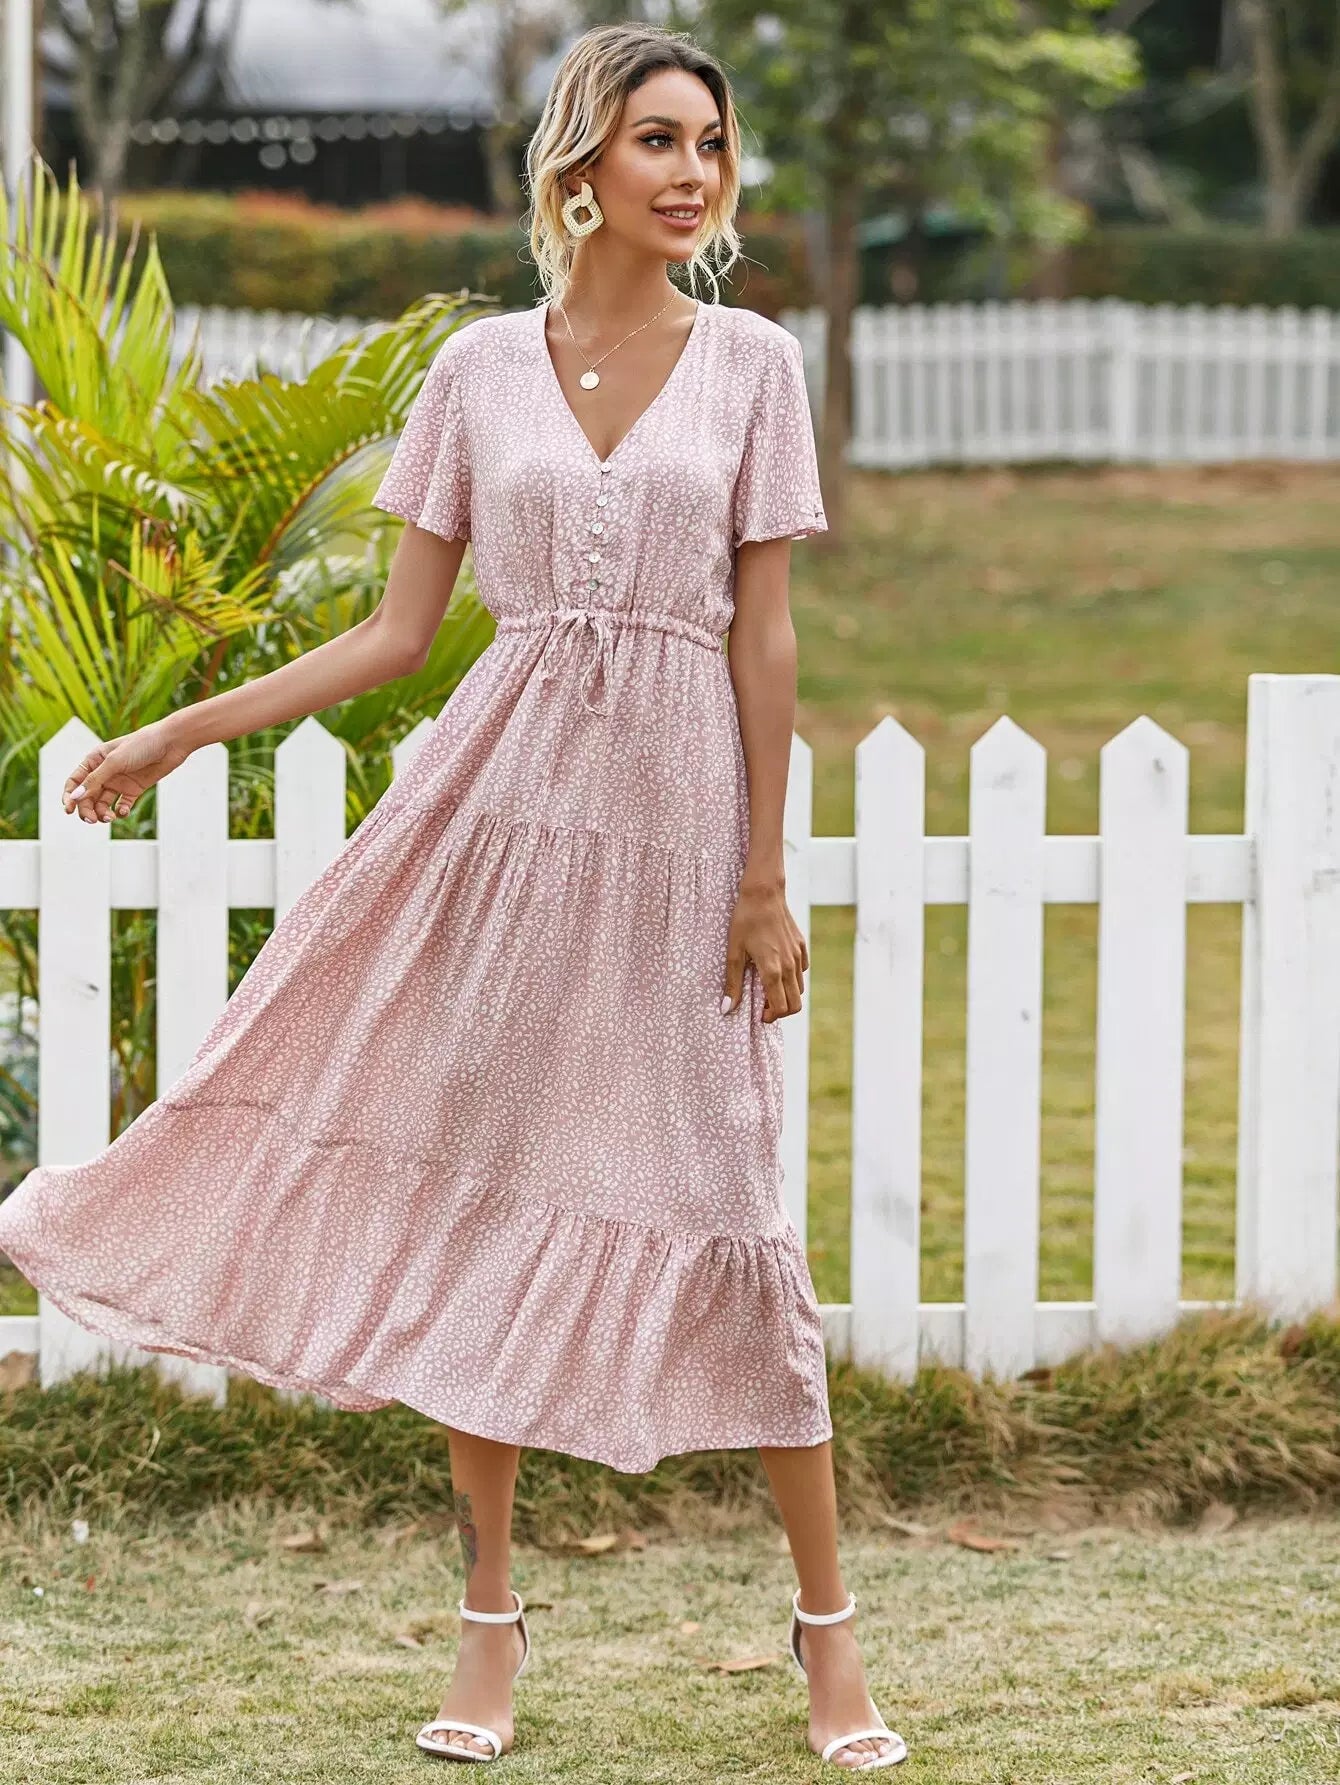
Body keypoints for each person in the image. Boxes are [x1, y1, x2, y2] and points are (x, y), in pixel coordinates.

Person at [0, 21, 908, 1774]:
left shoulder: (755, 366)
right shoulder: (482, 370)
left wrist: (763, 872)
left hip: (677, 840)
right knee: (479, 1201)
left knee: (733, 1198)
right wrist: (185, 726)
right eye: (658, 139)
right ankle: (489, 1622)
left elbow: (768, 636)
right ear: (582, 166)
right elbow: (398, 635)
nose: (693, 173)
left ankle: (829, 1635)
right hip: (496, 827)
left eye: (711, 144)